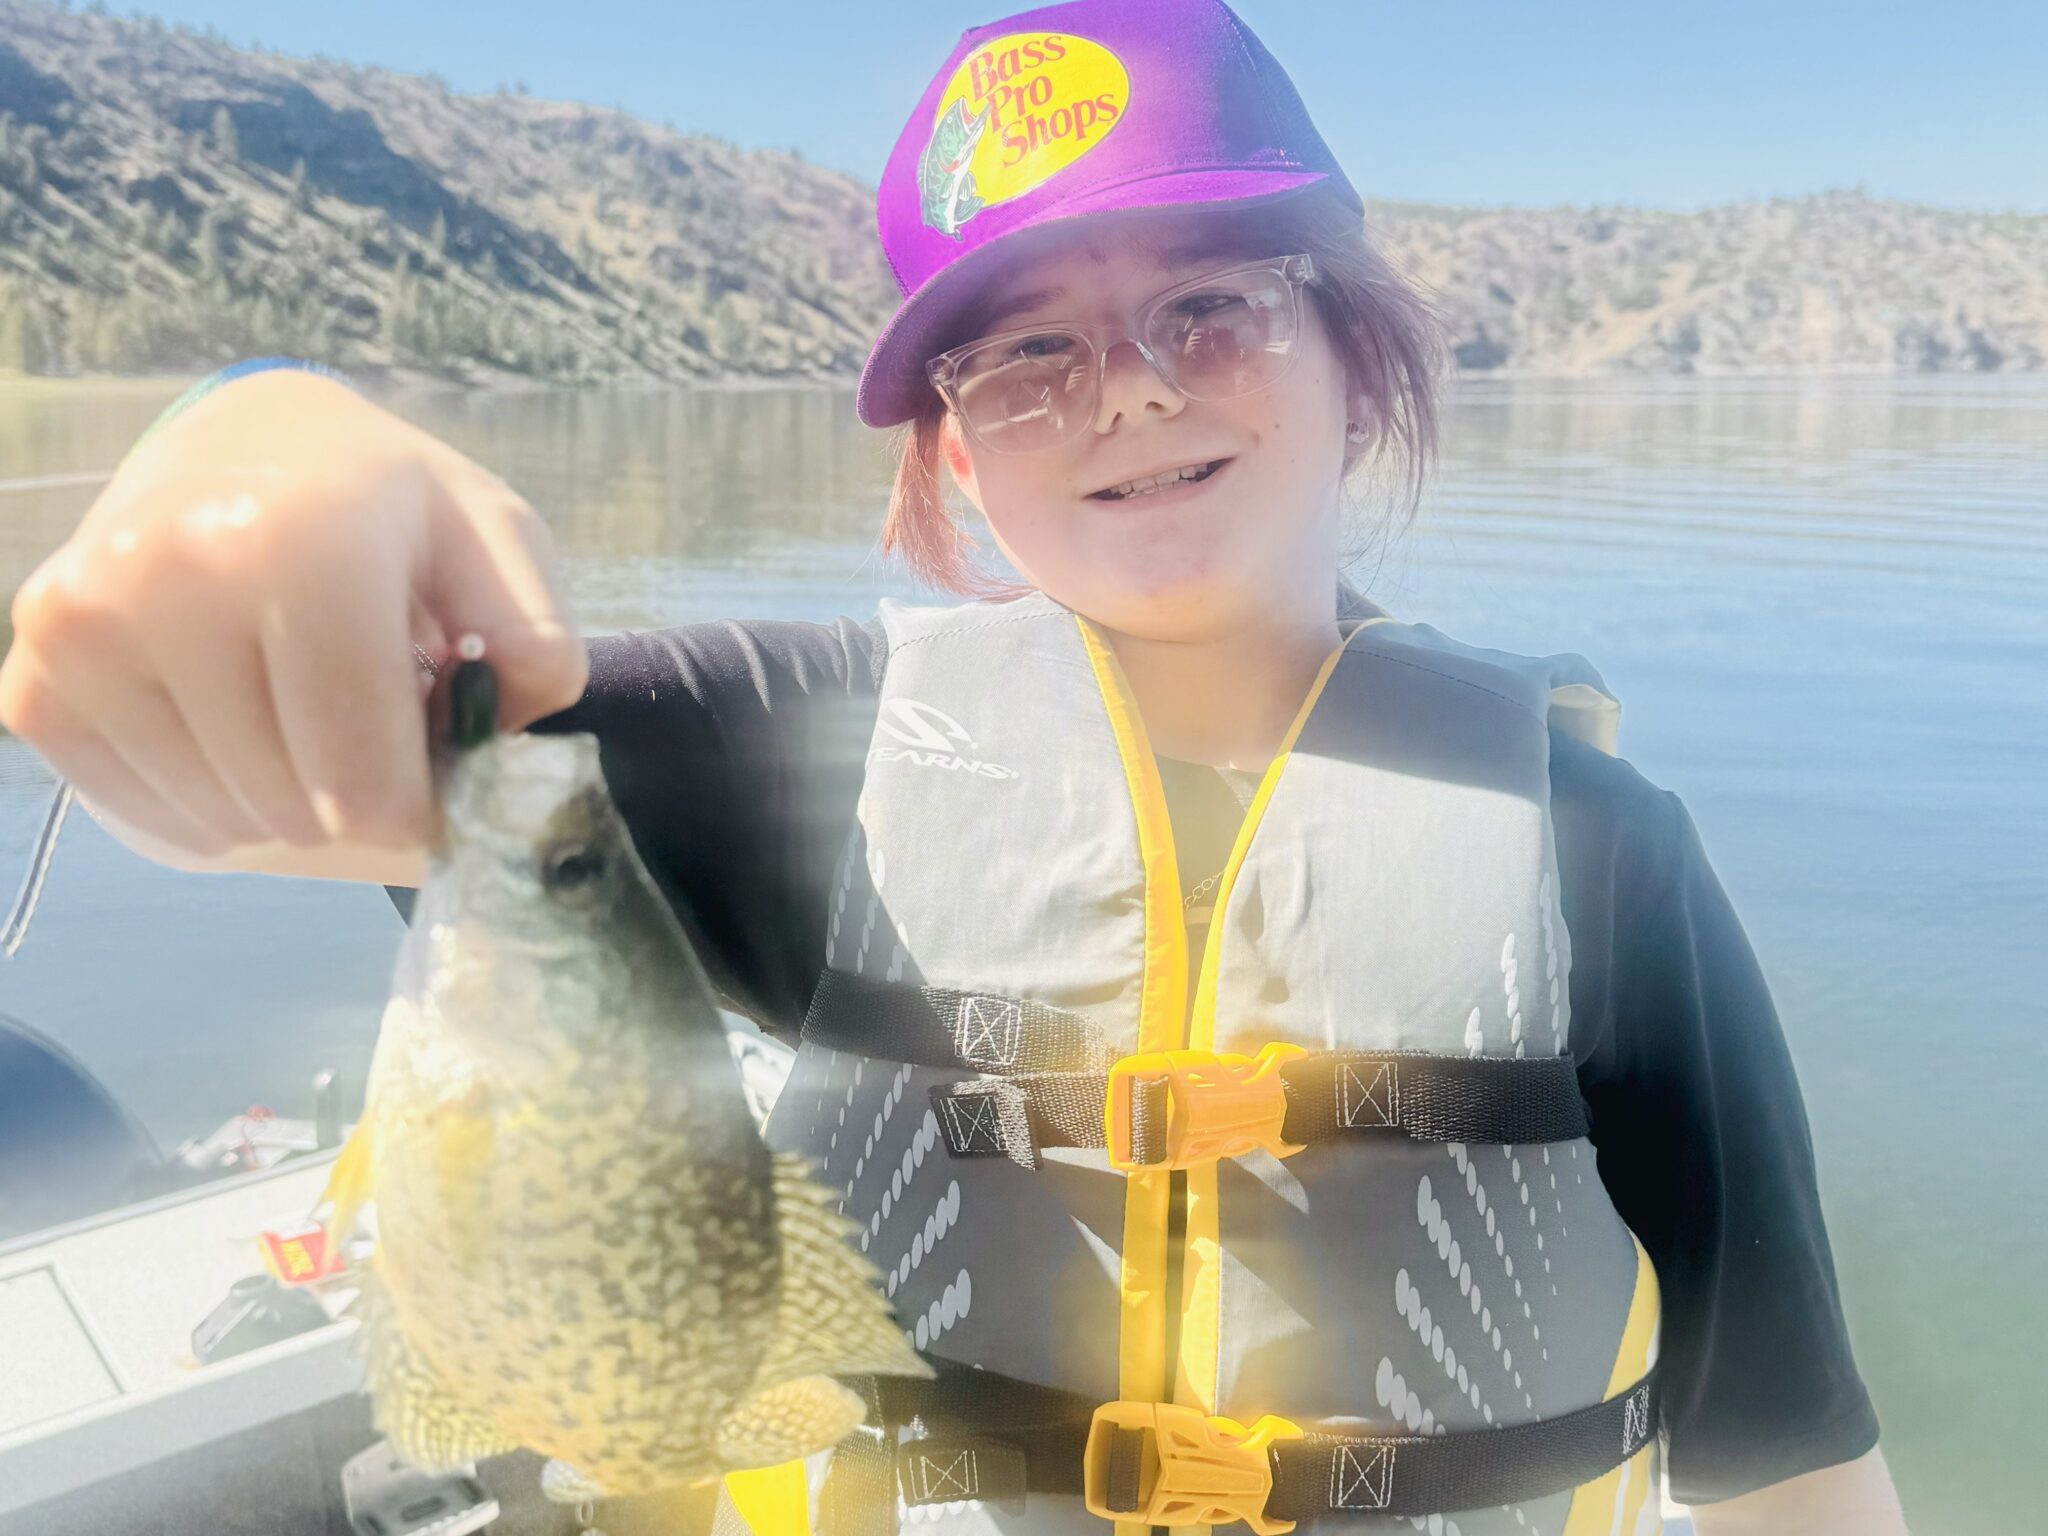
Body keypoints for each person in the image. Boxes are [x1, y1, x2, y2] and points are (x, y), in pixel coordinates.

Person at [0, 2, 1908, 1532]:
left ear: (1356, 349)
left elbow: (1787, 1447)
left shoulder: (1600, 850)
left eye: (1210, 307)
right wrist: (246, 436)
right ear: (955, 457)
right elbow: (385, 728)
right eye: (1021, 359)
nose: (1131, 391)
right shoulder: (803, 749)